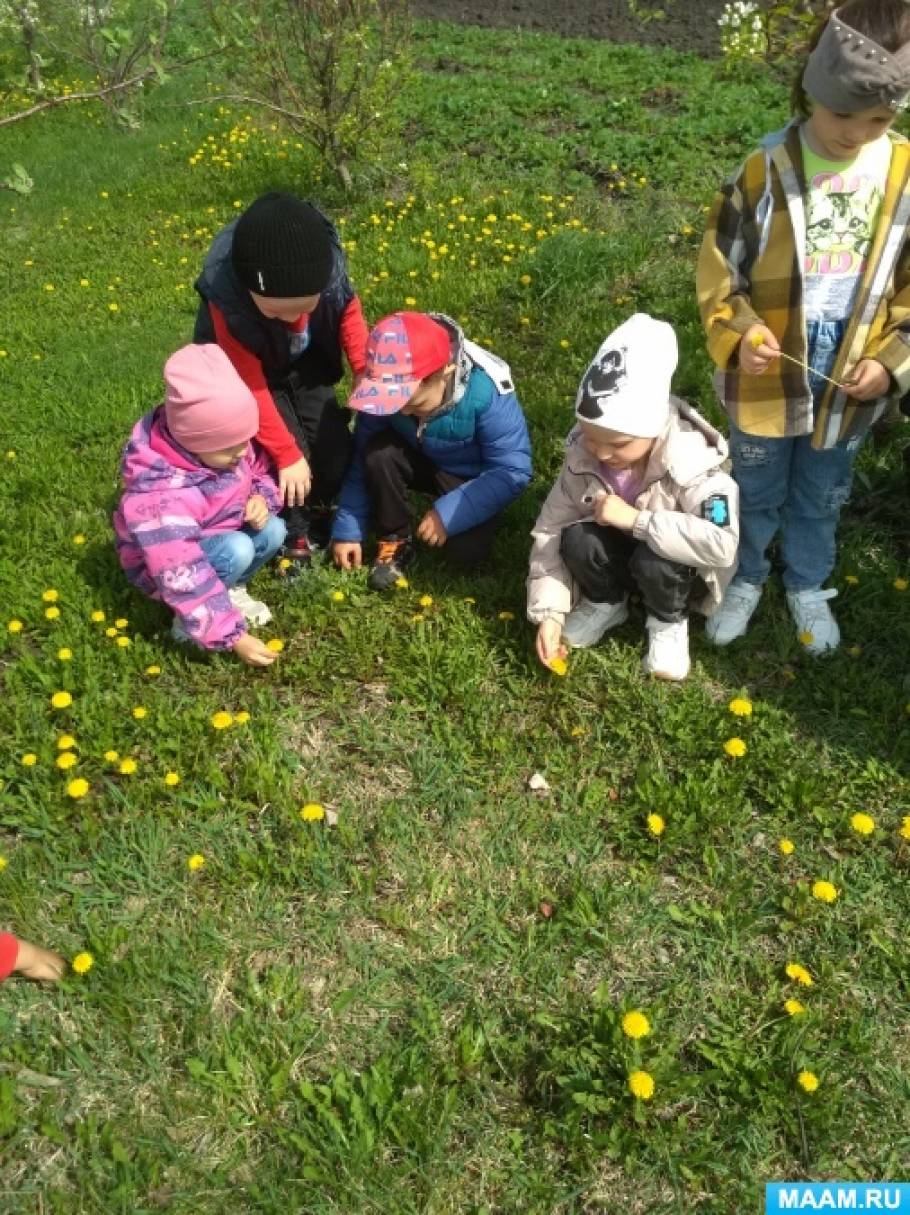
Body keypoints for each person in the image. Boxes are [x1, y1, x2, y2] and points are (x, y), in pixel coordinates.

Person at [697, 0, 910, 653]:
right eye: (843, 114)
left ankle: (807, 582)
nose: (855, 133)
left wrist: (892, 362)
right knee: (756, 477)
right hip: (772, 360)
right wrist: (741, 333)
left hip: (851, 364)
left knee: (822, 486)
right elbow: (718, 270)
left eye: (878, 119)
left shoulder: (901, 175)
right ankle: (747, 572)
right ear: (811, 89)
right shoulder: (765, 172)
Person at [527, 314, 739, 681]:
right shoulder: (582, 457)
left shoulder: (692, 460)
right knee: (575, 538)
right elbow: (549, 530)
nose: (602, 453)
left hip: (672, 569)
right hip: (623, 556)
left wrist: (637, 521)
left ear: (654, 425)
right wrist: (549, 613)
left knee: (658, 559)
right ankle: (606, 600)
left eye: (618, 443)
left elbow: (721, 542)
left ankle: (667, 622)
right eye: (592, 437)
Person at [194, 192, 368, 566]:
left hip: (305, 362)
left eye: (306, 307)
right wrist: (287, 455)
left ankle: (324, 506)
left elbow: (348, 315)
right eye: (277, 311)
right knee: (287, 460)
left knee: (334, 450)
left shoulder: (329, 272)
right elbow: (252, 387)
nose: (293, 319)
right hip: (249, 379)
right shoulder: (227, 300)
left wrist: (364, 372)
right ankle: (294, 529)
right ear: (249, 291)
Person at [331, 311, 532, 589]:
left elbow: (513, 471)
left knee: (465, 552)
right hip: (420, 458)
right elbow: (361, 456)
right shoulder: (386, 388)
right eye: (393, 404)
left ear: (445, 373)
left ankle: (458, 512)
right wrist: (348, 529)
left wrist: (448, 514)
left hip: (472, 479)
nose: (401, 411)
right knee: (378, 454)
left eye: (413, 405)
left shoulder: (487, 394)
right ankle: (395, 537)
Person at [114, 344, 286, 666]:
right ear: (192, 441)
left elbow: (260, 470)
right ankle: (189, 621)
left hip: (216, 533)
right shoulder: (161, 496)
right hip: (167, 568)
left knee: (274, 529)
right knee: (237, 549)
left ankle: (228, 589)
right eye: (229, 448)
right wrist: (233, 637)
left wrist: (261, 497)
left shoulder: (226, 448)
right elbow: (179, 568)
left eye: (244, 441)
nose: (240, 454)